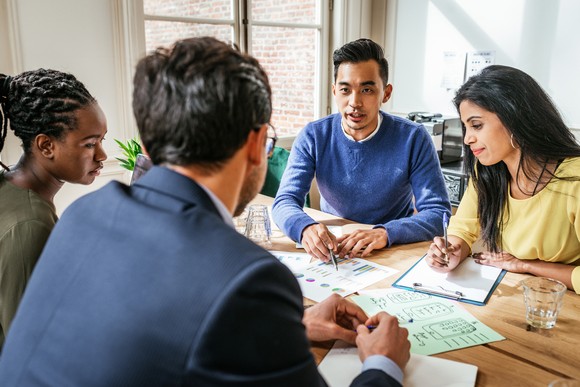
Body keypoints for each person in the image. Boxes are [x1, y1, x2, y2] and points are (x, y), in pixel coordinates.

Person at [0, 37, 410, 386]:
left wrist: (289, 329)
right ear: (254, 145)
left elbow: (151, 331)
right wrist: (382, 363)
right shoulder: (250, 279)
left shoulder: (83, 215)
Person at [272, 38, 451, 262]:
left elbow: (437, 213)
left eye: (367, 89)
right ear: (335, 91)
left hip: (393, 246)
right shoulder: (313, 135)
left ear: (385, 93)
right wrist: (305, 227)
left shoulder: (413, 138)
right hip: (335, 247)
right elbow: (284, 201)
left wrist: (385, 233)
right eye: (346, 90)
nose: (354, 102)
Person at [426, 65, 580, 294]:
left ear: (514, 117)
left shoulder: (574, 178)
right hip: (515, 293)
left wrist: (527, 265)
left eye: (476, 125)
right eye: (466, 127)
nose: (468, 139)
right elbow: (464, 227)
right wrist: (453, 249)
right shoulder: (487, 171)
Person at [0, 69, 107, 347]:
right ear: (46, 145)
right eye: (90, 144)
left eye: (101, 141)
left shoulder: (9, 187)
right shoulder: (30, 226)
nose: (102, 155)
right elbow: (28, 351)